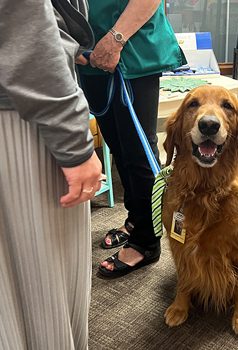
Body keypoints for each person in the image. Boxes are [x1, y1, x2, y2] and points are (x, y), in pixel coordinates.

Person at [0, 0, 103, 348]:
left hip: (23, 99)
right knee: (46, 290)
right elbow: (21, 20)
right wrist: (75, 143)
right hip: (22, 114)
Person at [76, 0, 186, 277]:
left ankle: (147, 242)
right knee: (119, 149)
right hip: (89, 54)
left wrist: (115, 39)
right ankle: (136, 220)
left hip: (130, 48)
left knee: (138, 152)